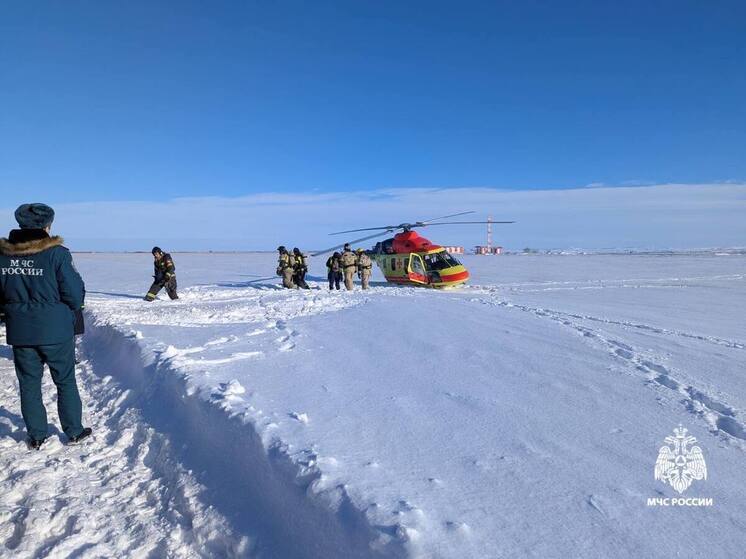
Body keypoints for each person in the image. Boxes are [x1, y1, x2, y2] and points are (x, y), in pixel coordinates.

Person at [0, 203, 92, 449]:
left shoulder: (3, 256)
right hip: (56, 331)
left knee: (29, 384)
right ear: (47, 226)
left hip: (21, 332)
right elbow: (74, 295)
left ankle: (37, 435)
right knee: (65, 381)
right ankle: (73, 431)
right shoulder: (57, 254)